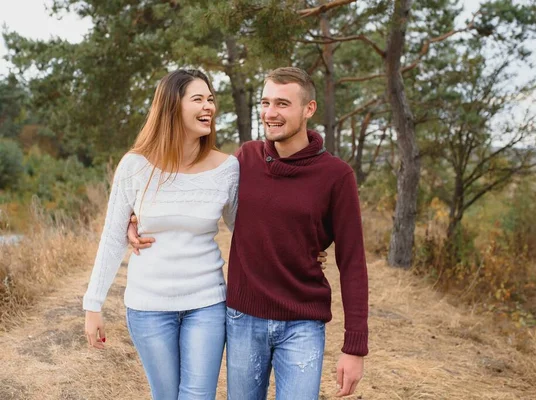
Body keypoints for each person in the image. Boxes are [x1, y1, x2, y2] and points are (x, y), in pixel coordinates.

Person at [130, 67, 369, 399]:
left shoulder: (336, 176)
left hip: (302, 324)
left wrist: (354, 346)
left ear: (309, 109)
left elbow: (353, 262)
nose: (271, 113)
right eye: (265, 102)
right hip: (243, 320)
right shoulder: (244, 161)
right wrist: (135, 216)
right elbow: (190, 194)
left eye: (283, 104)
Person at [83, 69, 240, 400]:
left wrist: (298, 246)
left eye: (211, 99)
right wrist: (93, 305)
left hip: (207, 302)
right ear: (172, 106)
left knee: (197, 396)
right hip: (148, 306)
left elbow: (246, 230)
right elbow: (112, 237)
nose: (208, 106)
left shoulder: (227, 168)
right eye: (197, 99)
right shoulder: (135, 166)